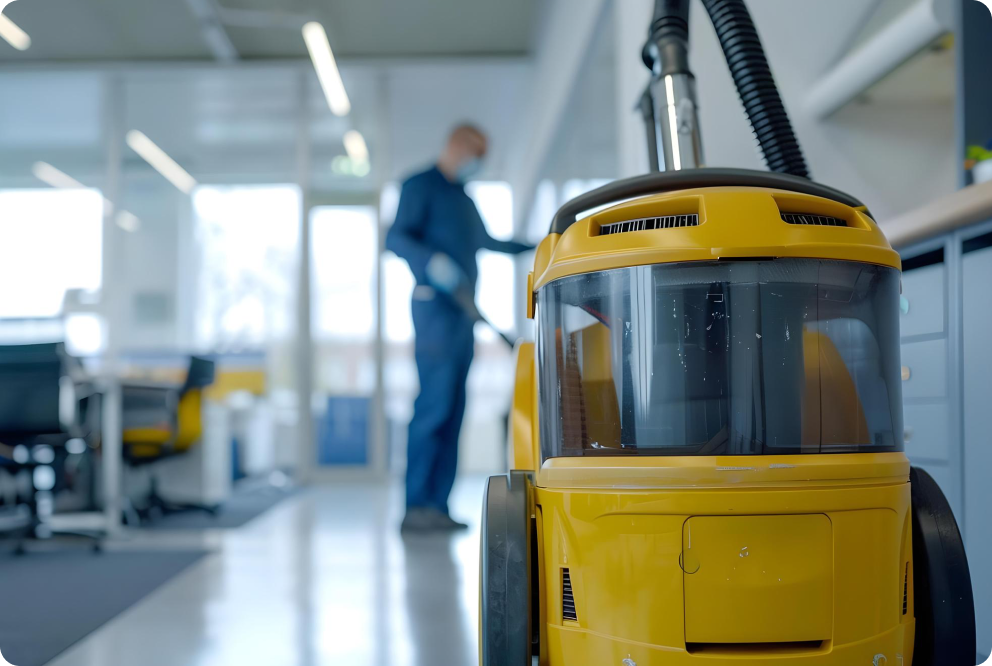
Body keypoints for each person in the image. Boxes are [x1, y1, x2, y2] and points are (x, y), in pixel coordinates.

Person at [386, 124, 532, 532]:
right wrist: (429, 261)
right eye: (476, 153)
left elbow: (490, 241)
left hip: (463, 316)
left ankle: (438, 506)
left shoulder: (463, 198)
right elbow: (395, 237)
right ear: (455, 145)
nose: (478, 162)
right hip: (434, 310)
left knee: (453, 411)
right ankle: (415, 505)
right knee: (434, 407)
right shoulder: (419, 185)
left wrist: (545, 241)